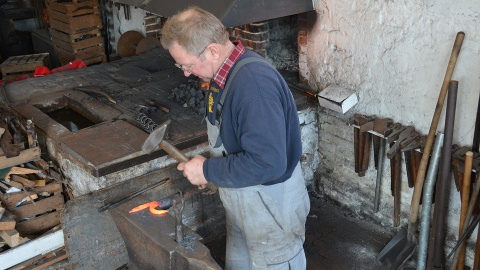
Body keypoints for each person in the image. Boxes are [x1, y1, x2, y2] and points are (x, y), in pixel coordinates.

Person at [160, 6, 310, 270]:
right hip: (244, 204)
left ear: (213, 51)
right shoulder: (224, 74)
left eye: (188, 65)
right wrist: (214, 174)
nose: (185, 72)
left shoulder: (254, 87)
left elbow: (268, 163)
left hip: (270, 210)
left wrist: (208, 169)